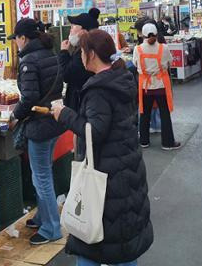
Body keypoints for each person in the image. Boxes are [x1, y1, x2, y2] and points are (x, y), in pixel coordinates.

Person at [51, 29, 154, 266]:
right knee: (124, 239)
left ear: (92, 54)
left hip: (106, 172)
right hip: (128, 165)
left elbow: (94, 131)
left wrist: (65, 115)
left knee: (91, 244)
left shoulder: (98, 90)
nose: (80, 57)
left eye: (82, 53)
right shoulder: (122, 78)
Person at [10, 18, 64, 245]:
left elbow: (30, 97)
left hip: (39, 126)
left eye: (16, 40)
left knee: (41, 176)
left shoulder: (29, 60)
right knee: (43, 173)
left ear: (23, 38)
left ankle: (52, 228)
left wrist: (15, 114)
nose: (16, 44)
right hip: (53, 119)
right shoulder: (50, 54)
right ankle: (43, 216)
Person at [132, 23, 180, 150]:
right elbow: (170, 62)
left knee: (144, 113)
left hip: (145, 87)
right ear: (157, 34)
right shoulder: (163, 48)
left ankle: (143, 141)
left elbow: (135, 64)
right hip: (160, 85)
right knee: (164, 114)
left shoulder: (138, 49)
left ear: (142, 35)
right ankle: (168, 143)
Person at [59, 9, 99, 114]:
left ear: (84, 31)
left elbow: (67, 75)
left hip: (81, 103)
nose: (70, 30)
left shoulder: (85, 51)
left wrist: (64, 52)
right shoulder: (84, 48)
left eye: (73, 27)